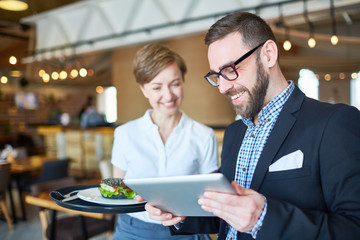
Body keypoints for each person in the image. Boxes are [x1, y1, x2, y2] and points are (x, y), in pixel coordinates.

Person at [144, 12, 360, 240]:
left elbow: (354, 228)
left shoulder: (334, 123)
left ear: (268, 55)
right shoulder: (234, 133)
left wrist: (264, 218)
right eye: (217, 76)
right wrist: (179, 210)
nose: (223, 88)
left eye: (230, 70)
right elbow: (225, 212)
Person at [111, 43, 219, 240]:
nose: (168, 95)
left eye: (175, 84)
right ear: (144, 89)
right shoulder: (124, 134)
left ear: (183, 82)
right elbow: (117, 188)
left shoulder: (204, 135)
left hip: (186, 230)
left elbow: (210, 198)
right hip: (134, 230)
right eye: (157, 87)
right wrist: (141, 200)